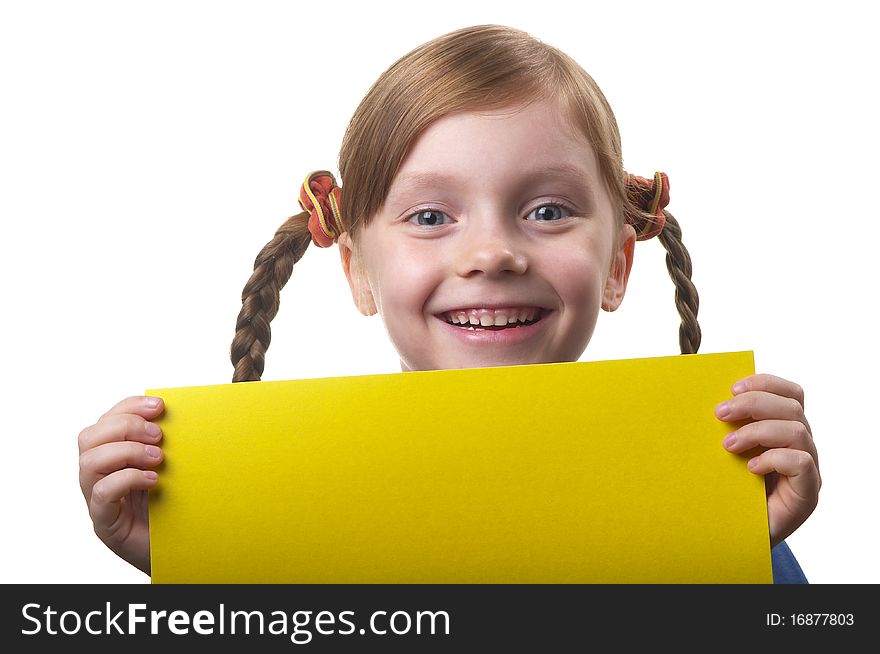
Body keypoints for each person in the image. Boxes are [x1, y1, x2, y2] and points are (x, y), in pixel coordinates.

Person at [77, 25, 819, 583]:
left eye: (550, 210)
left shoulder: (701, 501)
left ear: (618, 264)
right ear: (359, 272)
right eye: (432, 218)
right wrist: (190, 560)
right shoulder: (294, 510)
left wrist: (740, 557)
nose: (491, 253)